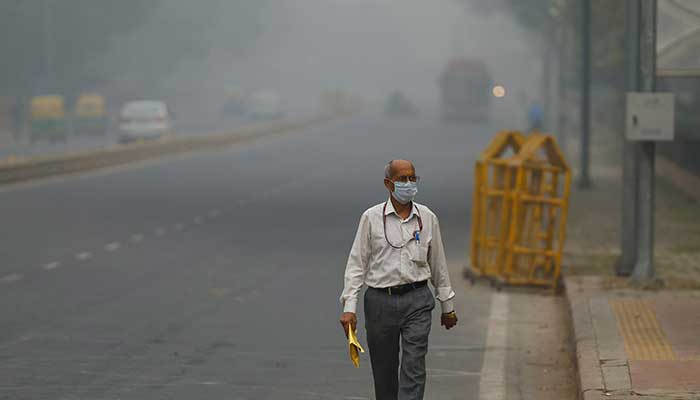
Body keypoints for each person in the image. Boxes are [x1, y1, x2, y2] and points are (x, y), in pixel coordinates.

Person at [339, 159, 458, 400]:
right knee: (384, 373)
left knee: (414, 367)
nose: (408, 183)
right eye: (402, 179)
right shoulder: (371, 218)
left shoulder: (427, 218)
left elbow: (438, 264)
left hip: (418, 301)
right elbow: (356, 265)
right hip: (380, 302)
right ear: (388, 183)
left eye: (412, 178)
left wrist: (448, 307)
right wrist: (349, 308)